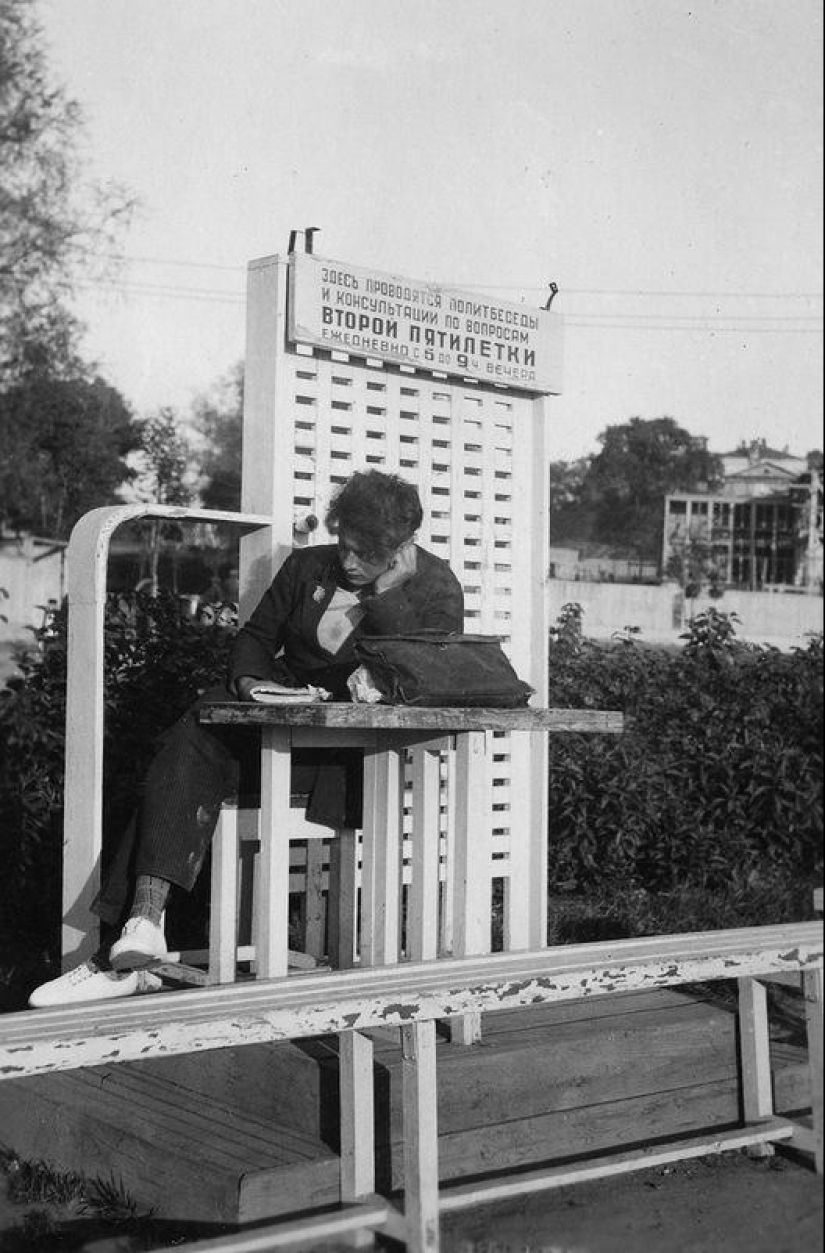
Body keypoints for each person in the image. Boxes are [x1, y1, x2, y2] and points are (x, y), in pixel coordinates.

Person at [29, 470, 463, 1007]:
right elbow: (256, 637)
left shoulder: (435, 588)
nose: (348, 562)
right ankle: (142, 922)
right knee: (198, 729)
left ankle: (124, 951)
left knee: (180, 751)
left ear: (400, 549)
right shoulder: (310, 567)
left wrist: (387, 594)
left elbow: (420, 674)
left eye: (365, 555)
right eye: (344, 545)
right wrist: (253, 683)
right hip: (278, 737)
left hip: (350, 762)